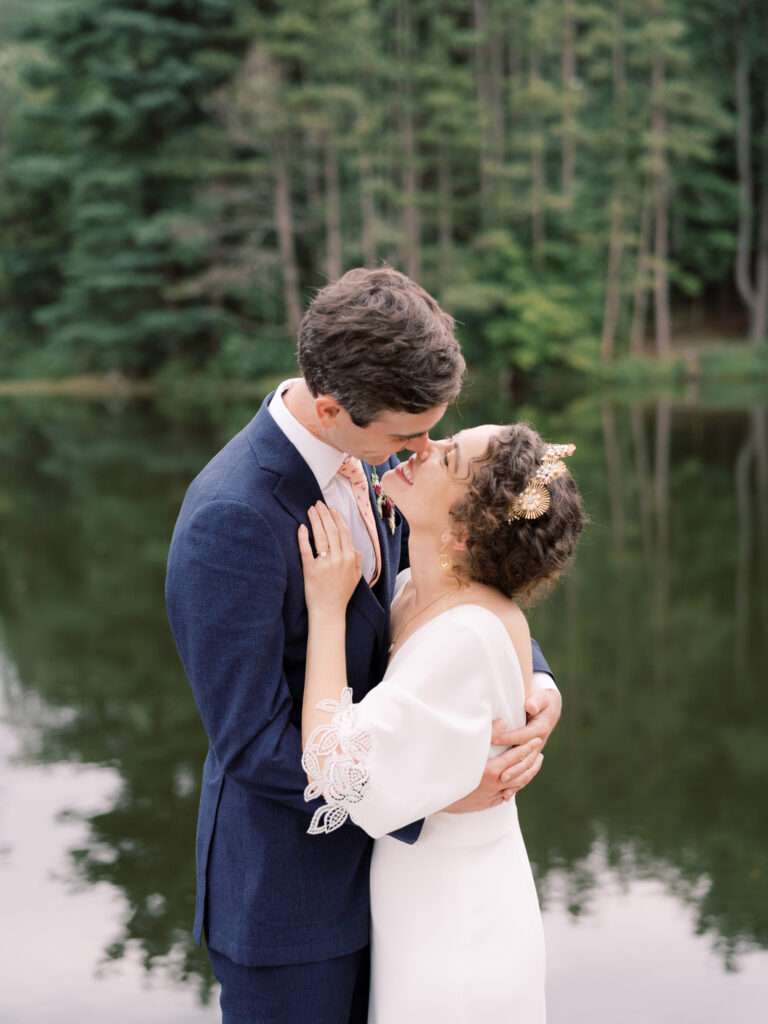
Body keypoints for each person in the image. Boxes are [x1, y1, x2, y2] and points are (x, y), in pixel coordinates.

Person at [165, 267, 562, 1024]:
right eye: (406, 435)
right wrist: (429, 796)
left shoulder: (372, 460)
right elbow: (251, 744)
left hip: (404, 901)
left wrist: (536, 685)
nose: (421, 451)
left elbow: (451, 585)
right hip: (294, 905)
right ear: (330, 407)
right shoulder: (231, 519)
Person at [299, 424, 584, 1022]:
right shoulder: (414, 586)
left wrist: (326, 611)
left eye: (447, 456)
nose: (424, 444)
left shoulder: (460, 635)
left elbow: (333, 770)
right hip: (423, 897)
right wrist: (540, 681)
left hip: (456, 928)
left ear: (460, 533)